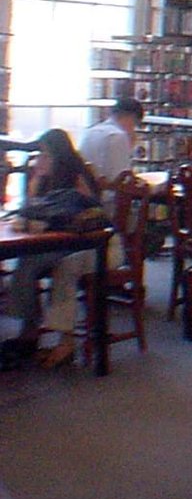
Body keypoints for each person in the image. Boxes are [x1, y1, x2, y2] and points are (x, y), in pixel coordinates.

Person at [5, 130, 109, 367]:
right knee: (26, 263)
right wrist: (34, 184)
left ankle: (32, 332)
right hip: (56, 243)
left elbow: (89, 215)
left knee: (31, 264)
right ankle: (29, 329)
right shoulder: (45, 179)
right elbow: (31, 212)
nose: (40, 160)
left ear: (59, 156)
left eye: (45, 155)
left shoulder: (78, 177)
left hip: (86, 245)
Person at [79, 97, 143, 184]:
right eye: (135, 124)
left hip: (87, 188)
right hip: (107, 190)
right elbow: (120, 178)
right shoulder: (117, 136)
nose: (133, 129)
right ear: (131, 118)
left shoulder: (89, 131)